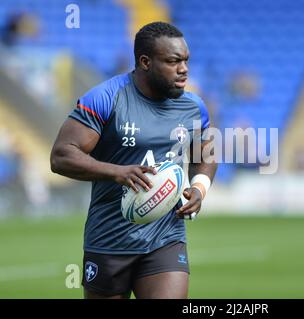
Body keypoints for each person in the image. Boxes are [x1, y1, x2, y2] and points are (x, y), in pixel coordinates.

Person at [50, 22, 217, 299]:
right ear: (145, 62)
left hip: (166, 236)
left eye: (186, 60)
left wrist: (199, 188)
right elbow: (61, 155)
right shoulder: (107, 98)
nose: (184, 69)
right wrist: (116, 172)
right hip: (109, 239)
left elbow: (206, 154)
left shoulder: (193, 107)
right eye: (173, 61)